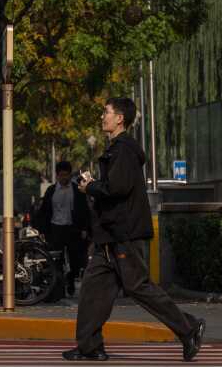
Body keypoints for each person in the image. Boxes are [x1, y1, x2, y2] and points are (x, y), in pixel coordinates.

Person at [63, 98, 206, 362]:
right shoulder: (116, 149)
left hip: (123, 234)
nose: (102, 116)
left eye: (106, 112)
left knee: (138, 287)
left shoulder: (124, 150)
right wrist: (95, 185)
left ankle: (189, 328)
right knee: (93, 290)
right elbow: (114, 187)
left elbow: (116, 188)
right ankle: (90, 346)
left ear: (120, 119)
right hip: (109, 235)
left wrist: (90, 187)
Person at [33, 160, 90, 296]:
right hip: (55, 229)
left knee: (75, 260)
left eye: (67, 175)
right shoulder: (51, 191)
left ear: (70, 175)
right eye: (61, 175)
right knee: (56, 261)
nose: (64, 178)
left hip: (73, 229)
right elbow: (45, 211)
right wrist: (42, 230)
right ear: (57, 176)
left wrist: (85, 229)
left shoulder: (77, 190)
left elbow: (84, 210)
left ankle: (71, 277)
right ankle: (59, 288)